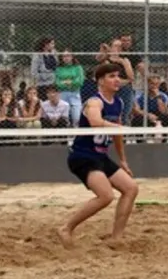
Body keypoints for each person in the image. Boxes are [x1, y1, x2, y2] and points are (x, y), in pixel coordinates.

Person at [57, 62, 139, 249]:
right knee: (106, 196)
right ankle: (66, 228)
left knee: (131, 188)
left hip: (101, 156)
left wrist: (123, 160)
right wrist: (120, 127)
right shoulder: (95, 101)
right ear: (100, 81)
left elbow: (117, 135)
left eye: (118, 76)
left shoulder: (118, 102)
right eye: (111, 76)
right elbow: (95, 122)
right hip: (83, 156)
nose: (117, 79)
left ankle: (116, 238)